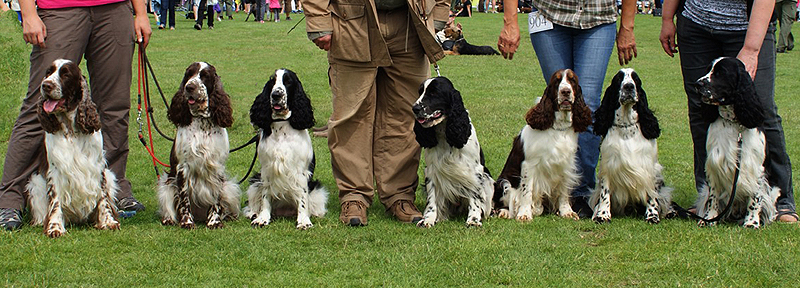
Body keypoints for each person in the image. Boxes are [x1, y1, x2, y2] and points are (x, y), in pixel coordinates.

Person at [0, 0, 151, 231]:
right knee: (39, 106)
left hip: (115, 9)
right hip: (60, 9)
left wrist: (140, 12)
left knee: (115, 108)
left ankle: (114, 192)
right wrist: (29, 13)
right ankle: (9, 201)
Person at [303, 0, 449, 226]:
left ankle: (400, 194)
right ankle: (354, 196)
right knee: (351, 117)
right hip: (350, 22)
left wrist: (437, 12)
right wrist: (318, 21)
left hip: (410, 22)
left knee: (406, 115)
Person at [497, 0, 638, 218]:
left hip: (598, 18)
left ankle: (579, 194)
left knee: (587, 103)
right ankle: (542, 192)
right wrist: (510, 21)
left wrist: (627, 27)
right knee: (555, 99)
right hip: (548, 16)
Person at [659, 0, 798, 222]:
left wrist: (752, 49)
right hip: (696, 23)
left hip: (748, 26)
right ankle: (710, 199)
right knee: (701, 109)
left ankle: (780, 200)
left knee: (762, 111)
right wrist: (667, 18)